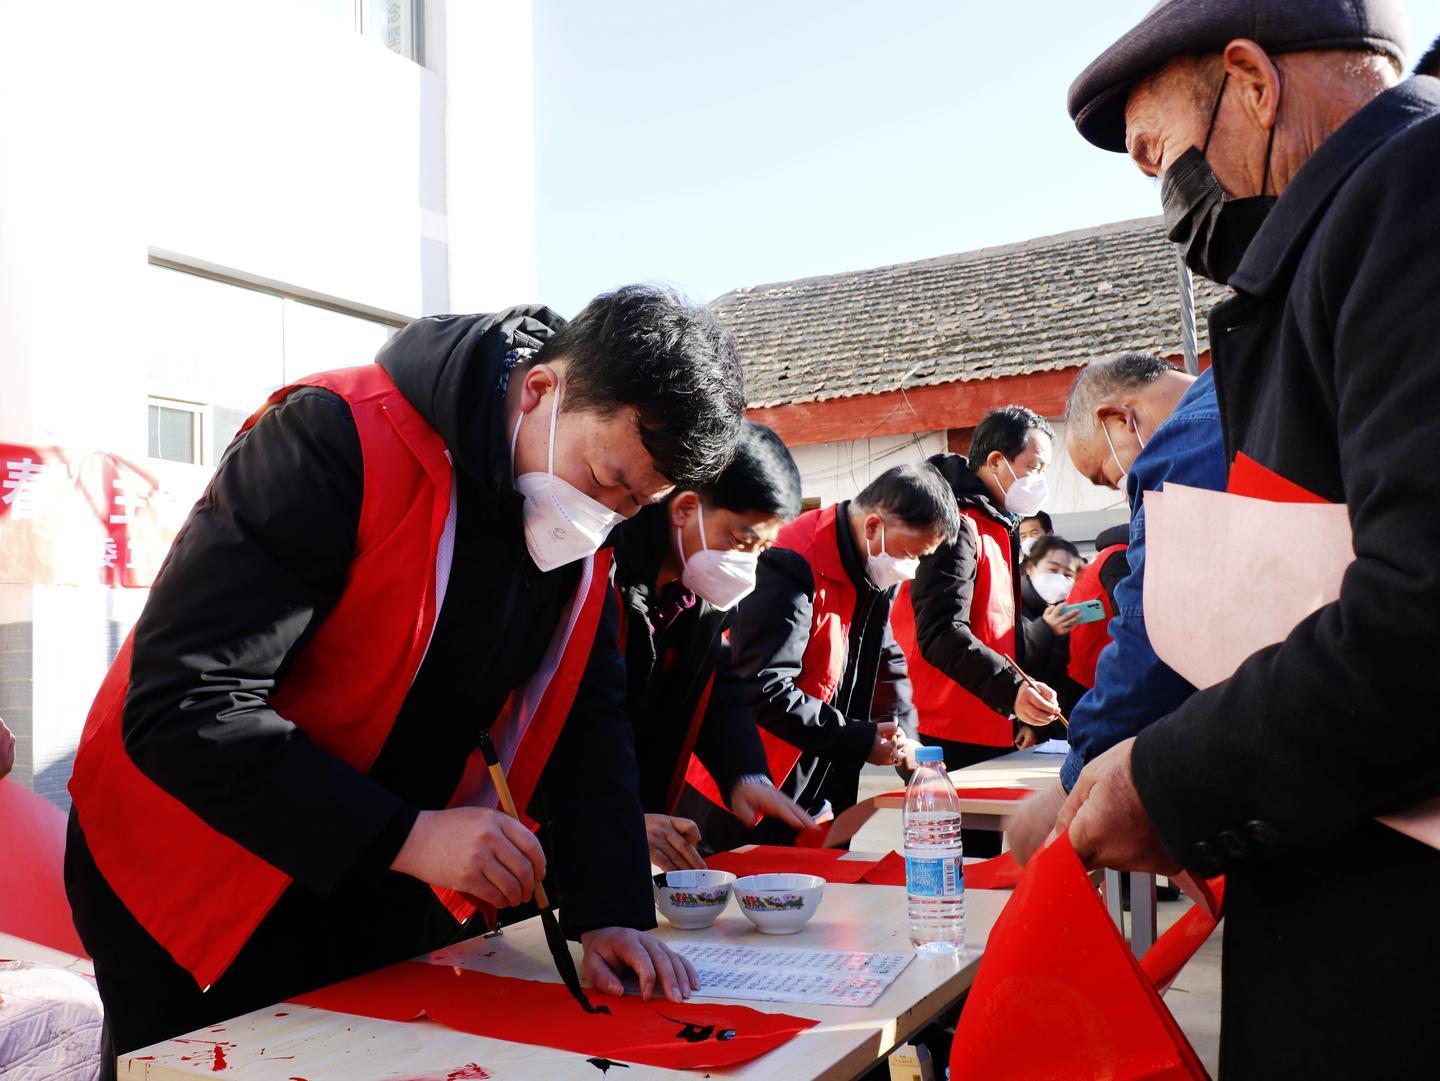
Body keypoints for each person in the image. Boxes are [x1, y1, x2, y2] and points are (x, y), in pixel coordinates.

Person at [64, 286, 746, 1075]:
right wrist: (409, 834)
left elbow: (590, 722)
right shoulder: (335, 436)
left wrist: (611, 912)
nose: (604, 516)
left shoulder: (576, 537)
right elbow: (185, 703)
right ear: (539, 390)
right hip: (196, 866)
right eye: (601, 477)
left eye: (632, 505)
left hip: (378, 872)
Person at [1062, 3, 1437, 1075]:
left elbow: (1420, 611)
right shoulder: (1341, 241)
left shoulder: (1408, 195)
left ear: (1254, 83)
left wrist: (1169, 780)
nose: (1170, 204)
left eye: (1159, 157)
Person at [1006, 353, 1221, 867]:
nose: (1126, 492)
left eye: (1108, 477)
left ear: (1119, 419)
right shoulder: (1240, 391)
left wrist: (1072, 782)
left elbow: (1151, 631)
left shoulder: (1185, 444)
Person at [711, 463, 959, 849]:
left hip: (821, 765)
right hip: (755, 775)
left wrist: (908, 743)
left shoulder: (873, 565)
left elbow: (886, 659)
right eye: (910, 553)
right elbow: (762, 687)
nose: (911, 569)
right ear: (874, 525)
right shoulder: (791, 561)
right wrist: (858, 740)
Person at [609, 420, 815, 871]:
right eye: (741, 541)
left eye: (761, 550)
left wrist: (746, 772)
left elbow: (717, 682)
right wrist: (616, 818)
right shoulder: (605, 574)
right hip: (554, 824)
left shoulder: (699, 589)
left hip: (631, 820)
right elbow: (582, 720)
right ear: (685, 508)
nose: (747, 564)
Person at [890, 407, 1065, 772]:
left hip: (984, 715)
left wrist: (1018, 705)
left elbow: (998, 628)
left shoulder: (996, 523)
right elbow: (941, 631)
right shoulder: (956, 524)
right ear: (996, 461)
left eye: (1045, 470)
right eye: (1033, 467)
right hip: (943, 723)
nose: (1040, 481)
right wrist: (1012, 690)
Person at [1017, 535, 1085, 721]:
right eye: (1052, 570)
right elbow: (1018, 666)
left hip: (1058, 720)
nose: (1059, 578)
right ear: (1030, 568)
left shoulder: (1069, 612)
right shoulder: (1012, 605)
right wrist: (1045, 630)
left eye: (1068, 574)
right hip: (1023, 718)